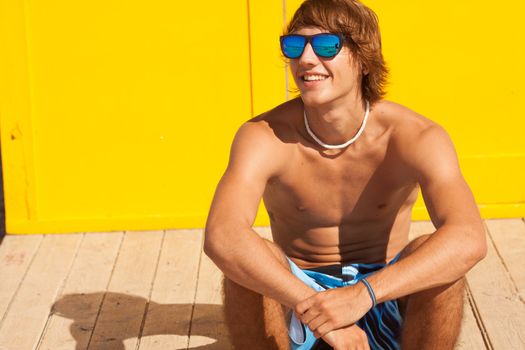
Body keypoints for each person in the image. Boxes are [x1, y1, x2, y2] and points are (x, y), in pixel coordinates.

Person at [204, 0, 487, 349]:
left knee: (438, 257)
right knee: (246, 262)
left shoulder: (415, 136)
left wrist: (363, 294)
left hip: (383, 292)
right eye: (294, 46)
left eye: (326, 46)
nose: (306, 60)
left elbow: (469, 238)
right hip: (298, 298)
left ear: (364, 59)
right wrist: (315, 306)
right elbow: (223, 235)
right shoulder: (264, 135)